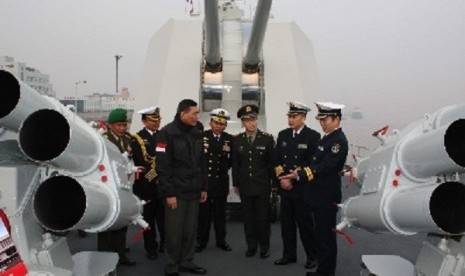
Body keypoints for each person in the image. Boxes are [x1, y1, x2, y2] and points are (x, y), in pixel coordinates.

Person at [280, 102, 348, 276]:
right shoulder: (327, 138)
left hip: (326, 197)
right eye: (321, 120)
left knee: (326, 239)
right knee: (321, 235)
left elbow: (325, 166)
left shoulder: (338, 141)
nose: (322, 123)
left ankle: (326, 273)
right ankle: (322, 271)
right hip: (318, 196)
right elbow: (314, 163)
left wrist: (299, 175)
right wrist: (300, 172)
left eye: (325, 119)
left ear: (337, 119)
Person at [156, 99, 208, 276]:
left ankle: (187, 262)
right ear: (182, 114)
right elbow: (162, 167)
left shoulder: (197, 133)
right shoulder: (165, 134)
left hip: (193, 191)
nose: (197, 117)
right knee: (174, 233)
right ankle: (172, 267)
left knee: (189, 231)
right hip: (175, 193)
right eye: (194, 113)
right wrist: (169, 193)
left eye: (197, 113)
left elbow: (203, 163)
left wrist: (204, 188)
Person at [273, 101, 321, 270]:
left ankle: (312, 257)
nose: (291, 119)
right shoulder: (283, 135)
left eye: (294, 116)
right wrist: (282, 178)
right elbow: (277, 160)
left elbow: (311, 164)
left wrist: (292, 180)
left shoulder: (313, 137)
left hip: (302, 190)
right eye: (289, 116)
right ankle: (289, 255)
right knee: (286, 225)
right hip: (285, 189)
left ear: (303, 117)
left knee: (305, 225)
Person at [232, 104, 275, 259]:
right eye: (248, 120)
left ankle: (264, 246)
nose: (252, 123)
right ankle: (251, 246)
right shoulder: (237, 141)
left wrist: (274, 186)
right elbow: (236, 164)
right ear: (243, 123)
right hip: (245, 186)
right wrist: (235, 183)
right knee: (248, 219)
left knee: (263, 218)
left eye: (254, 119)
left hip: (262, 186)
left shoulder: (268, 139)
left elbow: (272, 164)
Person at [98, 108, 136, 266]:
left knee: (122, 220)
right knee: (107, 222)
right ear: (110, 125)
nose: (122, 128)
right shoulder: (103, 139)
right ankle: (105, 258)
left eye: (124, 124)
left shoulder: (128, 139)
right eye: (119, 125)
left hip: (123, 186)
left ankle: (120, 254)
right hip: (108, 186)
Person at [195, 108, 233, 253]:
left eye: (221, 123)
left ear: (225, 126)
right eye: (216, 122)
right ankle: (201, 241)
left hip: (220, 181)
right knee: (203, 215)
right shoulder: (201, 137)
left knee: (220, 215)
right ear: (210, 123)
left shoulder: (230, 139)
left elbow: (231, 161)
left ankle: (221, 241)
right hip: (205, 182)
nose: (218, 126)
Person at [130, 106, 165, 260]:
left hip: (162, 185)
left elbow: (164, 158)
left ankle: (165, 244)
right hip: (145, 186)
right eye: (152, 120)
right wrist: (155, 177)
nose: (156, 123)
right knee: (148, 219)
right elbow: (140, 162)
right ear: (144, 121)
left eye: (158, 120)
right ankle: (151, 247)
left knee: (164, 218)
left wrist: (160, 177)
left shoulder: (163, 136)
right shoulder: (137, 138)